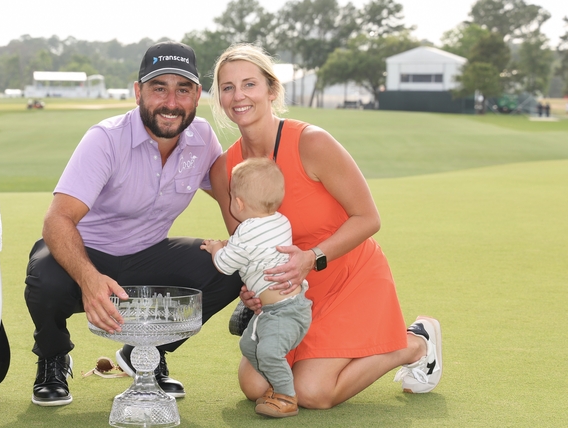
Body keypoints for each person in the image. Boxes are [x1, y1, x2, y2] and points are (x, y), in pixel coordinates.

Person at [207, 44, 443, 409]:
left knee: (313, 393)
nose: (239, 96)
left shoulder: (311, 142)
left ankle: (415, 343)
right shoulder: (225, 170)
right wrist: (250, 289)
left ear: (271, 90)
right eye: (228, 87)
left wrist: (311, 257)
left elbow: (368, 218)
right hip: (287, 296)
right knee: (254, 385)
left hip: (347, 274)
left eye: (249, 84)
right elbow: (245, 244)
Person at [24, 41, 242, 407]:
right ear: (138, 91)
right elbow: (57, 220)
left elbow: (232, 198)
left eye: (182, 90)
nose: (171, 102)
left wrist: (253, 258)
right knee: (45, 277)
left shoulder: (202, 138)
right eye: (159, 88)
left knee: (233, 267)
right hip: (88, 251)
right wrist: (89, 279)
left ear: (196, 95)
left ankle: (146, 352)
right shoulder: (106, 138)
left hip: (148, 255)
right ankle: (53, 357)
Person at [201, 157, 312, 418]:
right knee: (249, 347)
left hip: (285, 311)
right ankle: (276, 386)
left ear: (238, 203)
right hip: (275, 311)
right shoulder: (280, 221)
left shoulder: (247, 232)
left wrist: (216, 247)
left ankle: (286, 396)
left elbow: (225, 265)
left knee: (268, 351)